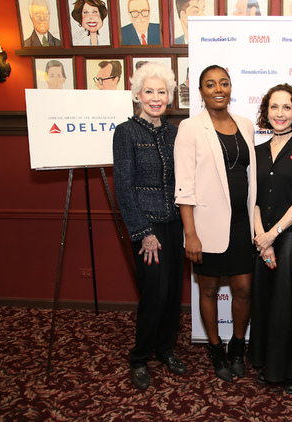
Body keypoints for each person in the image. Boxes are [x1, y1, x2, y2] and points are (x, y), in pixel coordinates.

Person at [174, 65, 256, 383]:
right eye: (210, 84)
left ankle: (237, 346)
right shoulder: (190, 128)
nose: (218, 89)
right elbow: (184, 186)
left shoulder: (246, 125)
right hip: (205, 226)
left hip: (241, 223)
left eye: (223, 83)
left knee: (244, 290)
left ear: (231, 87)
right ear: (201, 92)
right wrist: (190, 234)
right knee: (208, 289)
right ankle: (215, 348)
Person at [112, 62, 187, 390]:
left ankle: (165, 349)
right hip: (148, 229)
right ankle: (139, 357)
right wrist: (143, 233)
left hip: (175, 225)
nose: (155, 98)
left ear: (169, 96)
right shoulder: (125, 132)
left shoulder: (175, 132)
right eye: (149, 92)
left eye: (161, 92)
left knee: (173, 293)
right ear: (136, 95)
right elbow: (123, 188)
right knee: (154, 294)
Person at [248, 84, 292, 394]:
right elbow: (254, 199)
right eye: (274, 107)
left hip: (291, 235)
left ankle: (289, 368)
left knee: (285, 302)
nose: (279, 113)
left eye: (286, 107)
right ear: (266, 111)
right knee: (263, 298)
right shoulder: (257, 150)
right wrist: (262, 238)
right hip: (262, 234)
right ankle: (265, 360)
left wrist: (273, 236)